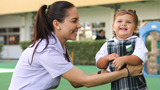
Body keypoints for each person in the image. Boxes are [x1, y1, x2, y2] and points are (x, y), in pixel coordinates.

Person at [9, 2, 143, 90]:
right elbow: (86, 81)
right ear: (57, 24)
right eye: (74, 21)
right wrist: (127, 72)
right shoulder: (46, 49)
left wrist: (107, 72)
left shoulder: (59, 47)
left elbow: (76, 82)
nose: (79, 25)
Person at [95, 9, 148, 90]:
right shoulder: (108, 44)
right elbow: (99, 64)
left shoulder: (136, 41)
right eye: (119, 21)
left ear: (135, 28)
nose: (123, 24)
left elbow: (139, 58)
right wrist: (106, 58)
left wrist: (124, 59)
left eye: (128, 22)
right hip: (117, 86)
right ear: (113, 27)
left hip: (136, 86)